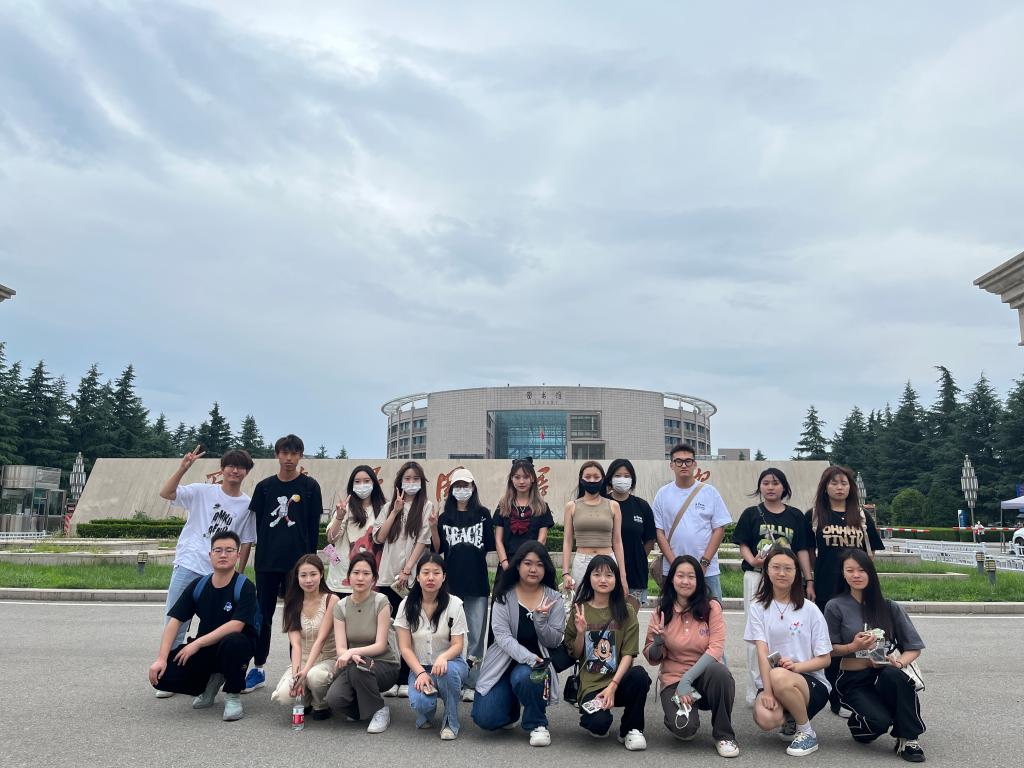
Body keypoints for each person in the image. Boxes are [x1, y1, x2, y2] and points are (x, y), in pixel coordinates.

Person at [156, 446, 256, 686]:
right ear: (222, 469)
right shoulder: (202, 491)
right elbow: (166, 493)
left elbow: (246, 542)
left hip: (221, 573)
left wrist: (239, 575)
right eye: (230, 465)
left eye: (240, 467)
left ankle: (213, 676)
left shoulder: (247, 505)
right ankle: (169, 672)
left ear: (247, 472)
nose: (235, 470)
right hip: (190, 564)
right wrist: (183, 468)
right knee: (175, 620)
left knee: (218, 626)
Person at [825, 549, 926, 763]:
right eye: (850, 570)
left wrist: (898, 663)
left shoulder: (889, 607)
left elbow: (913, 648)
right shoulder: (835, 606)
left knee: (896, 676)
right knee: (878, 722)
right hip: (854, 678)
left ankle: (909, 738)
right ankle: (861, 721)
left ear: (871, 573)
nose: (856, 575)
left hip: (886, 674)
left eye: (862, 570)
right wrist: (853, 646)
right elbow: (828, 650)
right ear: (843, 573)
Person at [148, 532, 259, 722]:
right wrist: (161, 658)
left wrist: (197, 644)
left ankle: (232, 694)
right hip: (207, 647)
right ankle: (210, 682)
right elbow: (175, 621)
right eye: (218, 550)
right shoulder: (199, 585)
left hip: (237, 646)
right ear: (210, 555)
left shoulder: (244, 586)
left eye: (229, 550)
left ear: (238, 555)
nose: (223, 555)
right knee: (162, 677)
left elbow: (236, 625)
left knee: (234, 643)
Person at [245, 434, 324, 693]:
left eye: (294, 453)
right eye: (284, 453)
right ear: (277, 455)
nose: (289, 458)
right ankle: (258, 668)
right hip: (267, 563)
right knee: (262, 616)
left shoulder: (310, 487)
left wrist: (311, 565)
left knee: (297, 617)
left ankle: (298, 670)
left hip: (298, 567)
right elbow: (257, 527)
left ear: (300, 455)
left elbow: (313, 528)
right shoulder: (265, 487)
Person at [805, 464, 884, 715]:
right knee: (831, 643)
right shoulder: (815, 516)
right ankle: (832, 696)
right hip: (826, 588)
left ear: (851, 487)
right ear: (825, 487)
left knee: (862, 639)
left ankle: (859, 693)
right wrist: (809, 581)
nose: (839, 487)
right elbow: (806, 551)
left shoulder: (861, 515)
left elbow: (870, 554)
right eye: (834, 483)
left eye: (844, 483)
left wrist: (867, 584)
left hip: (857, 590)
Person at [472, 541, 566, 747]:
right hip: (503, 664)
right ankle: (512, 706)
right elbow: (502, 637)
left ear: (546, 568)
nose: (533, 569)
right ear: (517, 565)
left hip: (533, 669)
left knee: (525, 677)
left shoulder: (554, 599)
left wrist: (541, 621)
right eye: (528, 563)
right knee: (485, 718)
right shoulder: (504, 596)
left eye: (540, 564)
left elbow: (554, 640)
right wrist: (530, 658)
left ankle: (537, 723)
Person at [733, 468, 813, 706]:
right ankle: (756, 689)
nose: (770, 487)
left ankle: (785, 684)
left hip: (788, 579)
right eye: (765, 483)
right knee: (756, 635)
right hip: (757, 577)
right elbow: (743, 543)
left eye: (776, 483)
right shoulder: (751, 513)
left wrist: (809, 580)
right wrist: (752, 560)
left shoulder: (796, 516)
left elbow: (802, 550)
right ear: (760, 487)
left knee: (788, 631)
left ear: (784, 487)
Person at [644, 555, 738, 758]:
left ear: (699, 580)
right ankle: (673, 713)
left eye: (691, 576)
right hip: (674, 680)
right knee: (685, 730)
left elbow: (716, 649)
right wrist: (658, 643)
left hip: (705, 676)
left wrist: (688, 679)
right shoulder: (661, 611)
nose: (685, 581)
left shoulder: (711, 607)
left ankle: (724, 735)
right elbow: (652, 657)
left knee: (720, 672)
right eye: (680, 576)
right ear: (672, 579)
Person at [744, 547, 832, 757]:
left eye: (788, 568)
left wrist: (797, 667)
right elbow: (762, 651)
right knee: (766, 718)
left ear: (796, 573)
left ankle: (806, 732)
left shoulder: (810, 609)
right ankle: (791, 718)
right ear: (767, 571)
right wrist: (766, 691)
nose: (781, 573)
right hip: (774, 681)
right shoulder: (758, 607)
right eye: (776, 567)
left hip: (809, 682)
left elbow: (825, 659)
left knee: (778, 675)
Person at [563, 554, 651, 751]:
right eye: (597, 574)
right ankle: (593, 716)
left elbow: (628, 654)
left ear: (616, 579)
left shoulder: (626, 611)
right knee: (598, 726)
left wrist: (613, 685)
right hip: (591, 685)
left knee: (639, 676)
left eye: (609, 575)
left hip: (617, 681)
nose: (603, 580)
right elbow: (575, 654)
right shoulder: (579, 609)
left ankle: (631, 729)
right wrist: (580, 632)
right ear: (589, 578)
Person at [433, 467, 495, 698]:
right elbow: (438, 549)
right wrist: (433, 527)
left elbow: (489, 544)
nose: (462, 490)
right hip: (451, 585)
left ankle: (472, 682)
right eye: (457, 486)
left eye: (465, 486)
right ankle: (452, 678)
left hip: (477, 583)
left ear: (473, 488)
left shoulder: (483, 514)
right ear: (451, 490)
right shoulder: (444, 517)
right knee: (451, 635)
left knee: (476, 637)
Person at [394, 554, 469, 740]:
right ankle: (427, 710)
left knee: (447, 672)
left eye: (436, 573)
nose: (430, 578)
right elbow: (405, 648)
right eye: (425, 572)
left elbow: (458, 644)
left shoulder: (455, 604)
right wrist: (420, 673)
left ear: (444, 577)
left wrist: (443, 658)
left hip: (451, 664)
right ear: (417, 577)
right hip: (420, 667)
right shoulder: (406, 605)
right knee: (422, 703)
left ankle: (450, 721)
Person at [374, 461, 433, 696]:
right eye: (407, 478)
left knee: (410, 626)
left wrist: (408, 570)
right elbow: (379, 538)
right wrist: (395, 511)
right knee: (389, 628)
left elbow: (423, 540)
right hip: (388, 577)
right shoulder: (388, 506)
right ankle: (391, 678)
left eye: (415, 479)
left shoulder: (426, 506)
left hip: (411, 578)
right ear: (399, 482)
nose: (411, 483)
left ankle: (407, 677)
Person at [326, 552, 401, 733]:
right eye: (356, 573)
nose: (360, 578)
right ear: (348, 577)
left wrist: (352, 652)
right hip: (355, 664)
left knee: (359, 670)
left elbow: (380, 645)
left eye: (366, 574)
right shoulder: (341, 606)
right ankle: (366, 707)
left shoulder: (381, 602)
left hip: (384, 664)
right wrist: (350, 654)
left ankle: (379, 710)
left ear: (374, 579)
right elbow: (341, 648)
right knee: (334, 699)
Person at [653, 443, 732, 600]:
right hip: (672, 570)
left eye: (688, 461)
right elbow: (659, 532)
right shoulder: (662, 494)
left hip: (707, 571)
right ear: (671, 465)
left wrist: (704, 563)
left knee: (711, 612)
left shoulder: (710, 492)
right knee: (672, 613)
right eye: (678, 461)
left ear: (695, 464)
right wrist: (675, 565)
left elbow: (719, 529)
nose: (684, 465)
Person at [269, 554, 339, 720]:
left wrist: (305, 672)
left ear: (321, 574)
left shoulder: (332, 600)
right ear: (297, 577)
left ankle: (321, 704)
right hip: (303, 659)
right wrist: (296, 675)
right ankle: (305, 699)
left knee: (316, 677)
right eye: (303, 575)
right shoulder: (292, 602)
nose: (308, 580)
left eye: (313, 574)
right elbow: (296, 645)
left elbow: (321, 639)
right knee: (284, 696)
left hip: (327, 658)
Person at [562, 461, 629, 595]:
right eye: (587, 477)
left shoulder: (613, 505)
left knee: (609, 603)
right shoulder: (571, 506)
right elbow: (567, 541)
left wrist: (622, 576)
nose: (592, 480)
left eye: (596, 477)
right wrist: (565, 573)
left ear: (602, 479)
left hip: (608, 560)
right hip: (582, 562)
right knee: (581, 602)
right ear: (581, 479)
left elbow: (617, 541)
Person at [325, 465, 387, 594]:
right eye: (357, 481)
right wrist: (339, 517)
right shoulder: (345, 508)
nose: (362, 485)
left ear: (374, 483)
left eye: (366, 481)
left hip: (372, 578)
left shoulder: (384, 509)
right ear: (351, 485)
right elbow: (331, 538)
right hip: (343, 578)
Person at [605, 458, 656, 606]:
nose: (622, 479)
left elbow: (650, 539)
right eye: (618, 475)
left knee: (630, 617)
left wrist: (639, 557)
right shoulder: (602, 503)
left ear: (632, 479)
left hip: (635, 572)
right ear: (610, 478)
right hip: (606, 569)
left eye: (626, 476)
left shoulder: (641, 506)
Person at [493, 458, 554, 579]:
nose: (521, 481)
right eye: (517, 477)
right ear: (511, 479)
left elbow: (541, 540)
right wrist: (505, 564)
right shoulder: (503, 506)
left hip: (532, 566)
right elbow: (498, 540)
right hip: (507, 565)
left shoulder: (541, 507)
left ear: (532, 479)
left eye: (526, 477)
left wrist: (529, 565)